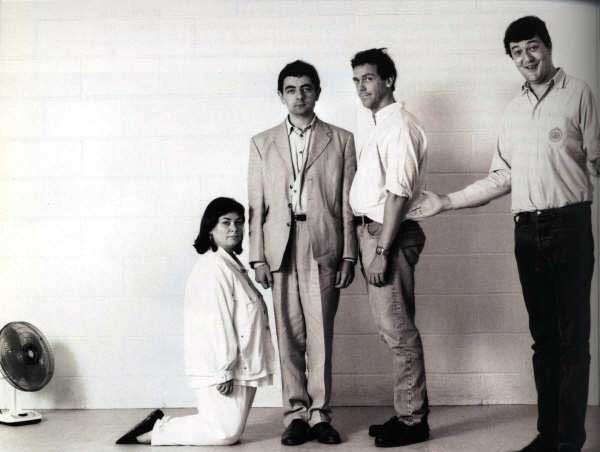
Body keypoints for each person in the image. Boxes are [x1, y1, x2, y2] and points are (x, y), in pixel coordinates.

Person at [410, 16, 600, 452]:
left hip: (570, 226)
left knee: (573, 339)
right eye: (516, 52)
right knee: (544, 340)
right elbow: (500, 178)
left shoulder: (580, 95)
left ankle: (569, 440)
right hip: (527, 232)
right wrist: (447, 201)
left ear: (548, 47)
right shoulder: (514, 111)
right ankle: (548, 434)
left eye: (532, 47)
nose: (526, 58)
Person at [248, 60, 358, 445]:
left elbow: (348, 202)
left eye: (306, 88)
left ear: (318, 92)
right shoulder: (262, 143)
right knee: (288, 333)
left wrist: (349, 255)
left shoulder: (341, 139)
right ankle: (294, 414)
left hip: (323, 241)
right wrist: (258, 257)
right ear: (281, 95)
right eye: (291, 89)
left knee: (320, 333)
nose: (299, 96)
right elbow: (256, 205)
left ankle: (320, 415)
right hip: (280, 244)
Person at [115, 197, 275, 446]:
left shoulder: (232, 266)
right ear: (210, 229)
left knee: (229, 430)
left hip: (242, 363)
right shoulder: (213, 268)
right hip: (223, 365)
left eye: (239, 222)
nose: (234, 228)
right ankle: (157, 429)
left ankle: (160, 426)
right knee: (224, 434)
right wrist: (223, 370)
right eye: (226, 222)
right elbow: (217, 323)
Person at [349, 48, 430, 448]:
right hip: (375, 233)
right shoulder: (379, 124)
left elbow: (397, 195)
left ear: (388, 81)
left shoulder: (399, 126)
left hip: (388, 235)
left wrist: (382, 250)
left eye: (368, 78)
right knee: (392, 328)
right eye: (356, 80)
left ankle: (413, 420)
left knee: (398, 330)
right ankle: (407, 411)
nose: (361, 87)